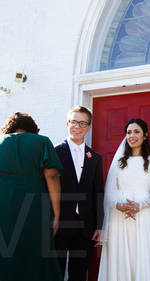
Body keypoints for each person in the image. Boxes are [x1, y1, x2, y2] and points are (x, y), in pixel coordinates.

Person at [0, 112, 63, 281]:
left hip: (0, 200)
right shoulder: (42, 141)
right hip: (34, 200)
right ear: (32, 128)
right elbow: (51, 176)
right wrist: (57, 214)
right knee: (33, 250)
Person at [98, 118, 150, 281]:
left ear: (145, 136)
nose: (132, 135)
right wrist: (118, 206)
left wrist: (140, 206)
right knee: (119, 254)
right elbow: (108, 192)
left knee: (140, 254)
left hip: (142, 215)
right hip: (118, 215)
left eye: (136, 132)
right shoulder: (119, 163)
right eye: (129, 132)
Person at [54, 105, 104, 281]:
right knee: (55, 272)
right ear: (67, 123)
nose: (78, 127)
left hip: (85, 226)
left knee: (79, 274)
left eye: (83, 123)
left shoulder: (96, 158)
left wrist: (99, 225)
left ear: (89, 127)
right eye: (74, 122)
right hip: (58, 224)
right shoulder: (53, 152)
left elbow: (98, 193)